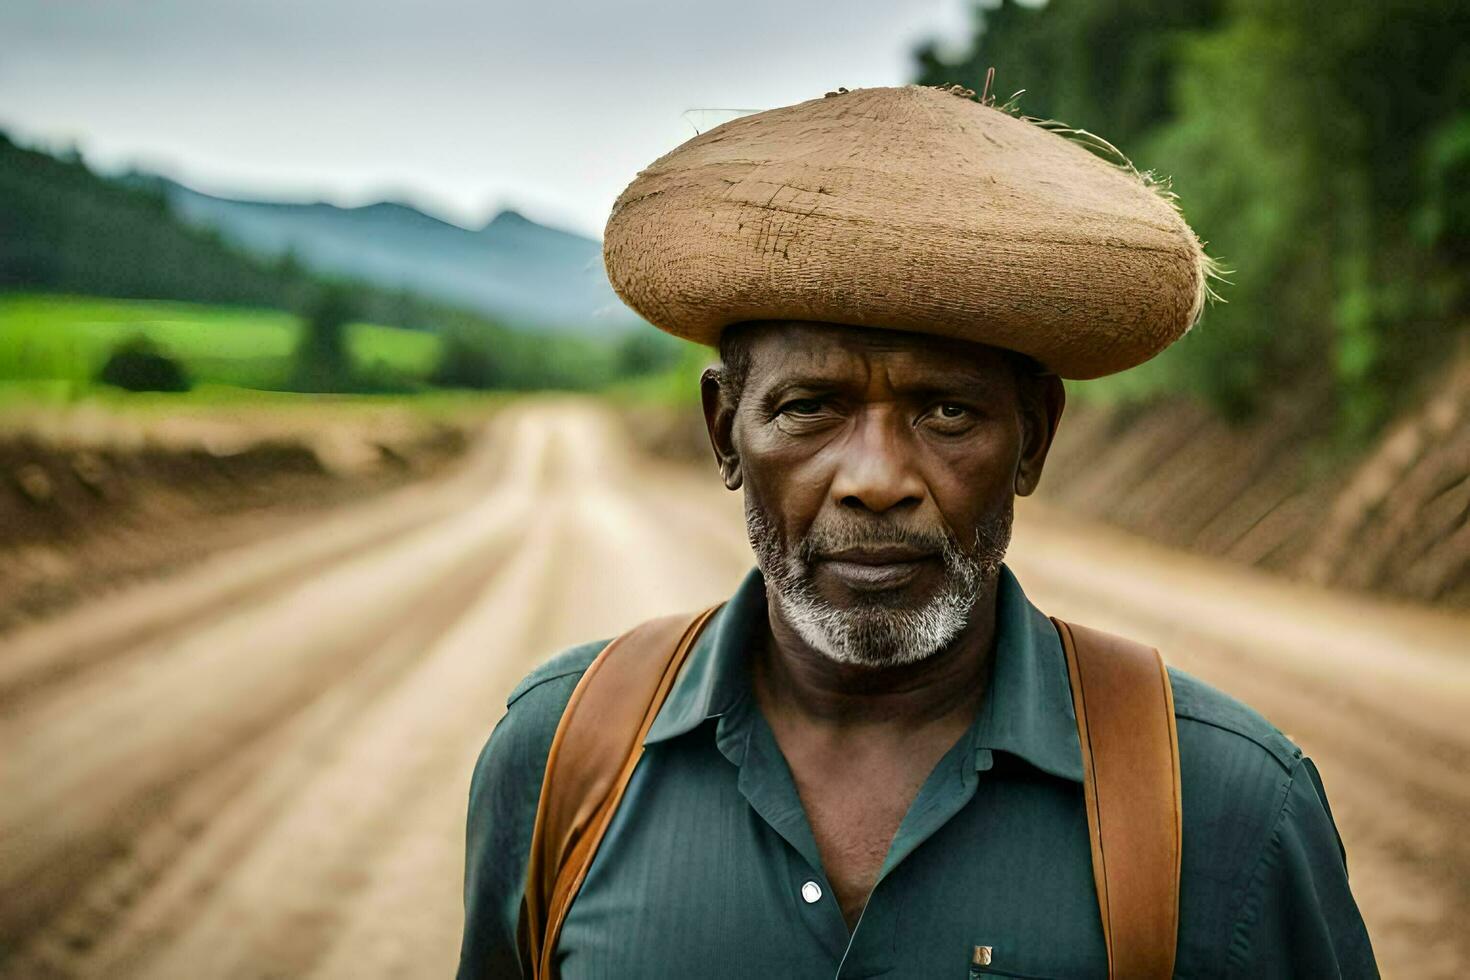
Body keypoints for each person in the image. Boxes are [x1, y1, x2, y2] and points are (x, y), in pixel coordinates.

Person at [457, 85, 1377, 978]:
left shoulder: (1230, 805)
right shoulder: (562, 755)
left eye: (945, 412)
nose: (877, 481)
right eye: (812, 407)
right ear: (724, 433)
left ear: (1034, 441)